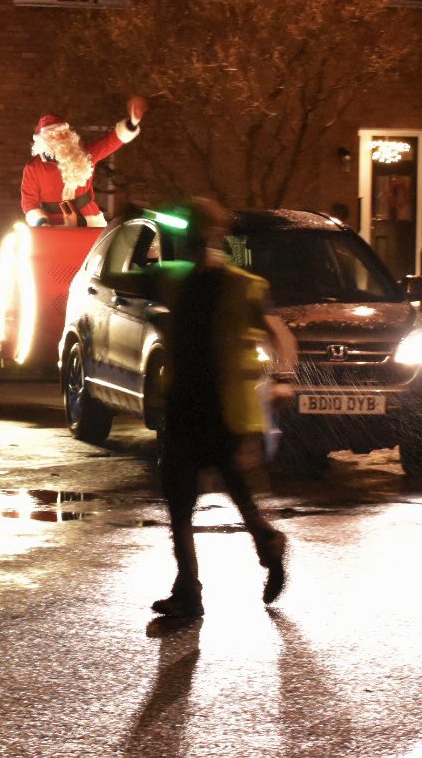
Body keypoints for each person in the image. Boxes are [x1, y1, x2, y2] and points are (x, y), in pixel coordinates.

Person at [111, 197, 297, 620]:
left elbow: (277, 334)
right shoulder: (174, 278)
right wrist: (132, 227)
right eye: (190, 231)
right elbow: (117, 277)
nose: (195, 238)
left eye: (199, 230)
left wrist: (283, 378)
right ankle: (189, 590)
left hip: (224, 412)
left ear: (212, 235)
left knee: (238, 498)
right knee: (179, 503)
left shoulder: (242, 284)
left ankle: (267, 546)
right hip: (185, 408)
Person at [20, 95, 147, 227]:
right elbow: (29, 202)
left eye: (63, 132)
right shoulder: (34, 168)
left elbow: (110, 142)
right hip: (52, 226)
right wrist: (42, 222)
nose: (61, 137)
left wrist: (132, 123)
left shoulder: (84, 155)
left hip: (89, 221)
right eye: (54, 134)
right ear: (44, 140)